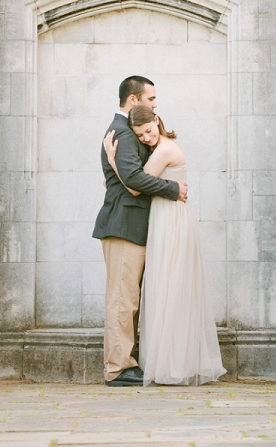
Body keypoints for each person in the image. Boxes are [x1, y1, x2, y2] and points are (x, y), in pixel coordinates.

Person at [104, 105, 226, 386]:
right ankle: (167, 360)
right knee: (165, 288)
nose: (146, 138)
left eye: (148, 131)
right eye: (140, 135)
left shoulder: (165, 149)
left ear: (157, 121)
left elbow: (134, 184)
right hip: (163, 218)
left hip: (171, 220)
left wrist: (113, 160)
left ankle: (172, 362)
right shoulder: (158, 148)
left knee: (170, 287)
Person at [92, 75, 188, 387]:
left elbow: (123, 177)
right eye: (151, 99)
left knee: (130, 298)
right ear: (134, 100)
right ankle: (118, 368)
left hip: (135, 226)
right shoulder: (122, 131)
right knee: (123, 299)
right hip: (123, 225)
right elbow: (132, 179)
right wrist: (173, 188)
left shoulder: (128, 131)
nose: (154, 105)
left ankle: (126, 363)